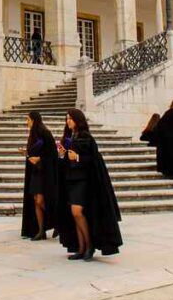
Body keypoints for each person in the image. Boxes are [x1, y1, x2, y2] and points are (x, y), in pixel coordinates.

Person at [54, 108, 122, 260]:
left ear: (77, 120)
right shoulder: (69, 137)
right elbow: (65, 163)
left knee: (77, 211)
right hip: (71, 181)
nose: (68, 121)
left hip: (83, 181)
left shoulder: (86, 138)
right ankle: (82, 246)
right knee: (74, 214)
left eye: (70, 118)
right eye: (66, 119)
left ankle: (89, 244)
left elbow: (93, 160)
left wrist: (77, 157)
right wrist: (62, 155)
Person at [20, 111, 59, 241]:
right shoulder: (33, 134)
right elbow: (34, 151)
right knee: (36, 200)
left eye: (28, 119)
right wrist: (27, 153)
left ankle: (56, 221)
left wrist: (40, 159)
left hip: (45, 172)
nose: (27, 122)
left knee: (41, 200)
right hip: (36, 172)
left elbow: (53, 153)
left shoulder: (45, 133)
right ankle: (41, 230)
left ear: (34, 120)